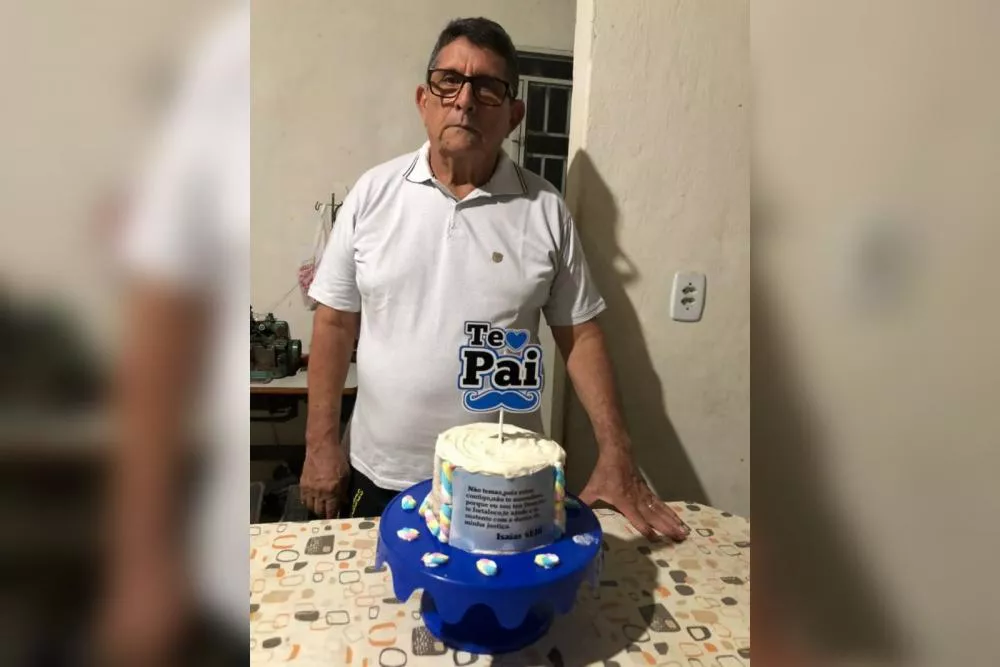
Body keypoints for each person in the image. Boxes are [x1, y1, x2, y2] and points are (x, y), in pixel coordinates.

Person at [300, 17, 689, 541]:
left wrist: (617, 452)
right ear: (423, 99)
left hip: (503, 489)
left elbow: (581, 336)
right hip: (382, 474)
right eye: (449, 81)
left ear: (513, 115)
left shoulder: (545, 208)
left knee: (510, 596)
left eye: (487, 87)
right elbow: (334, 324)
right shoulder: (372, 195)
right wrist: (320, 445)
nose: (464, 100)